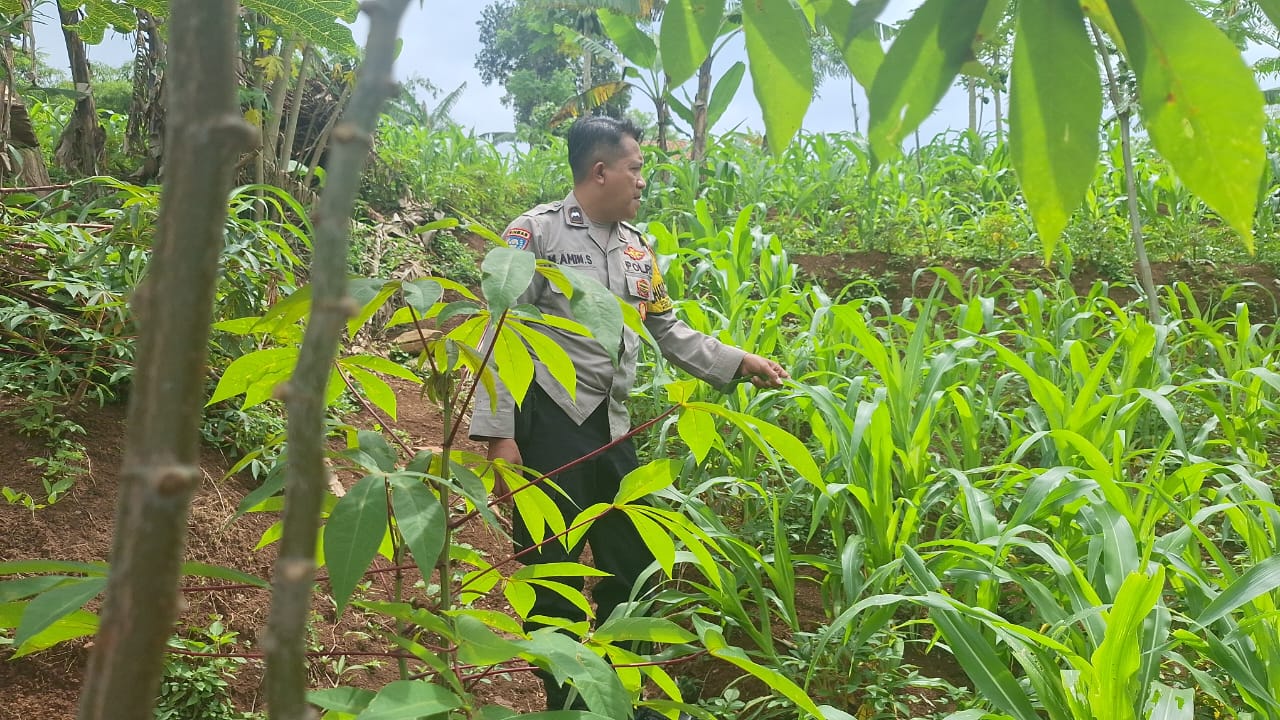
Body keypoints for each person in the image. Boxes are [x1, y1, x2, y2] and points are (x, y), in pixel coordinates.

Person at [469, 115, 787, 716]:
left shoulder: (639, 249)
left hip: (614, 427)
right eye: (636, 168)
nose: (642, 181)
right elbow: (499, 329)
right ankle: (568, 703)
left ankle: (621, 695)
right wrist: (499, 436)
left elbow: (666, 328)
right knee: (551, 571)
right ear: (600, 171)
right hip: (549, 423)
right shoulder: (533, 235)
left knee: (633, 566)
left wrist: (736, 361)